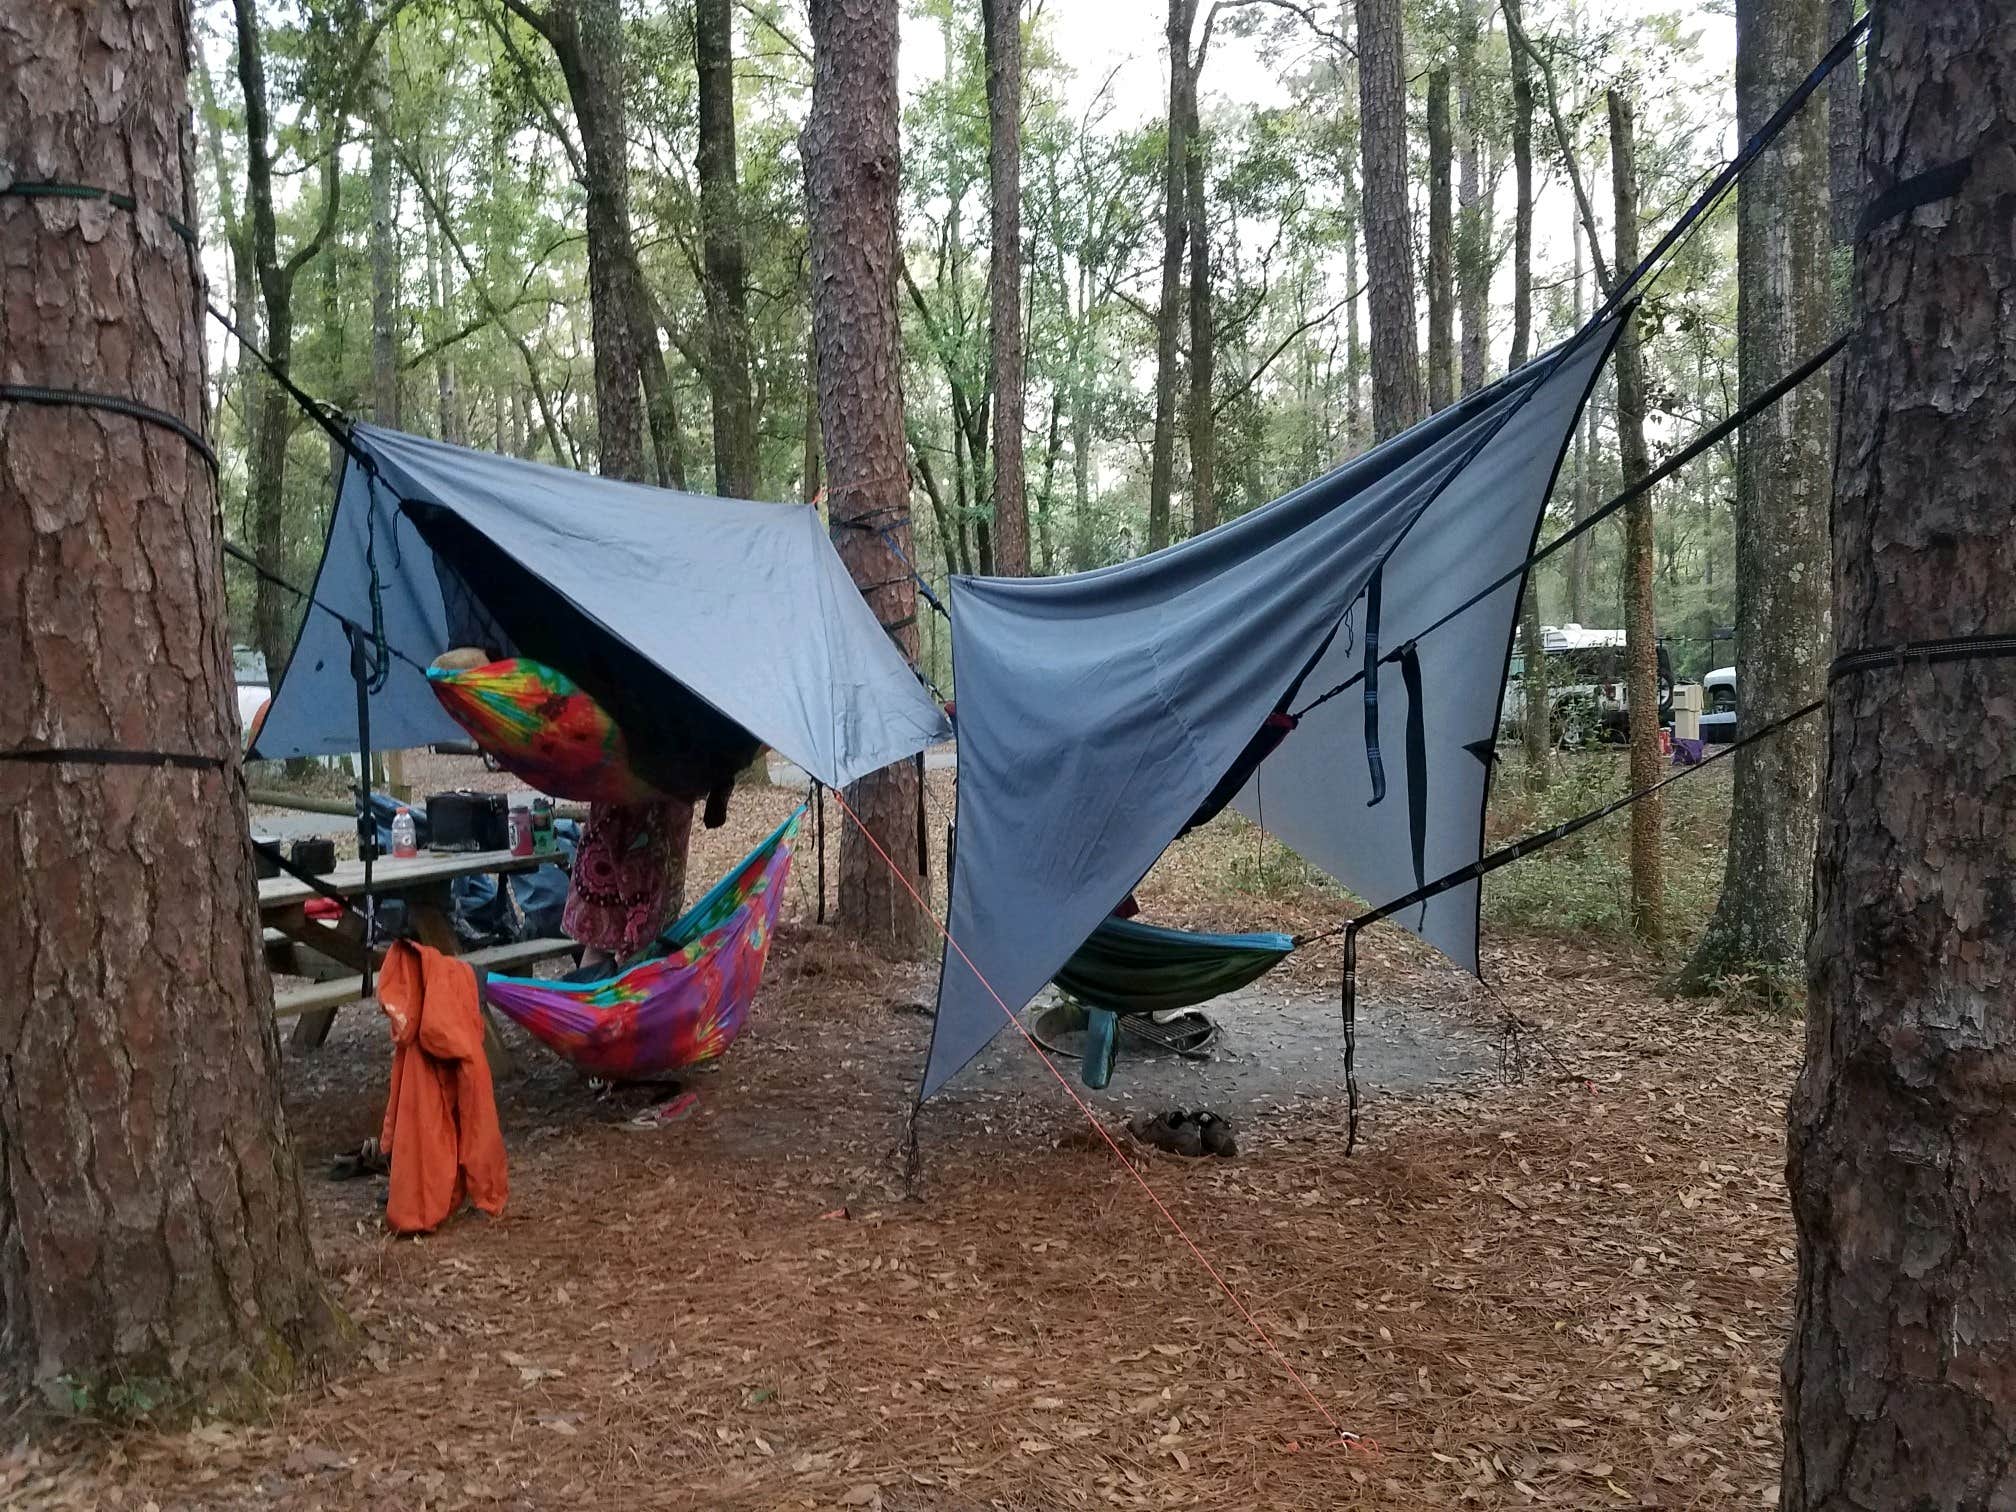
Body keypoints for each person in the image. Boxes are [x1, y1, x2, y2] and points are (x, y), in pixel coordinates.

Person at [562, 798, 693, 975]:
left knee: (649, 940)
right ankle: (606, 996)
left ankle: (600, 997)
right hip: (622, 818)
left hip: (638, 815)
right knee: (605, 941)